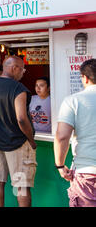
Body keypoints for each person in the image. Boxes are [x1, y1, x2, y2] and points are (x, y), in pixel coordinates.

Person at [0, 56, 37, 207]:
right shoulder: (18, 88)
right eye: (22, 69)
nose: (24, 72)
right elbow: (21, 118)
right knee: (21, 186)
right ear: (14, 68)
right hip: (17, 143)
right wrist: (31, 141)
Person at [54, 58, 96, 207]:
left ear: (84, 78)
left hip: (87, 173)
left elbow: (62, 136)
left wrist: (60, 165)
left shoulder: (73, 101)